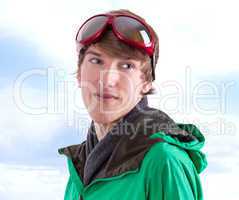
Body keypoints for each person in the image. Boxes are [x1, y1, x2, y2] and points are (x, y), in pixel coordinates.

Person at [58, 9, 207, 200]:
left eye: (127, 65)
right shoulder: (80, 166)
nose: (108, 79)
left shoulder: (163, 160)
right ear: (79, 74)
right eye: (96, 60)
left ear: (146, 83)